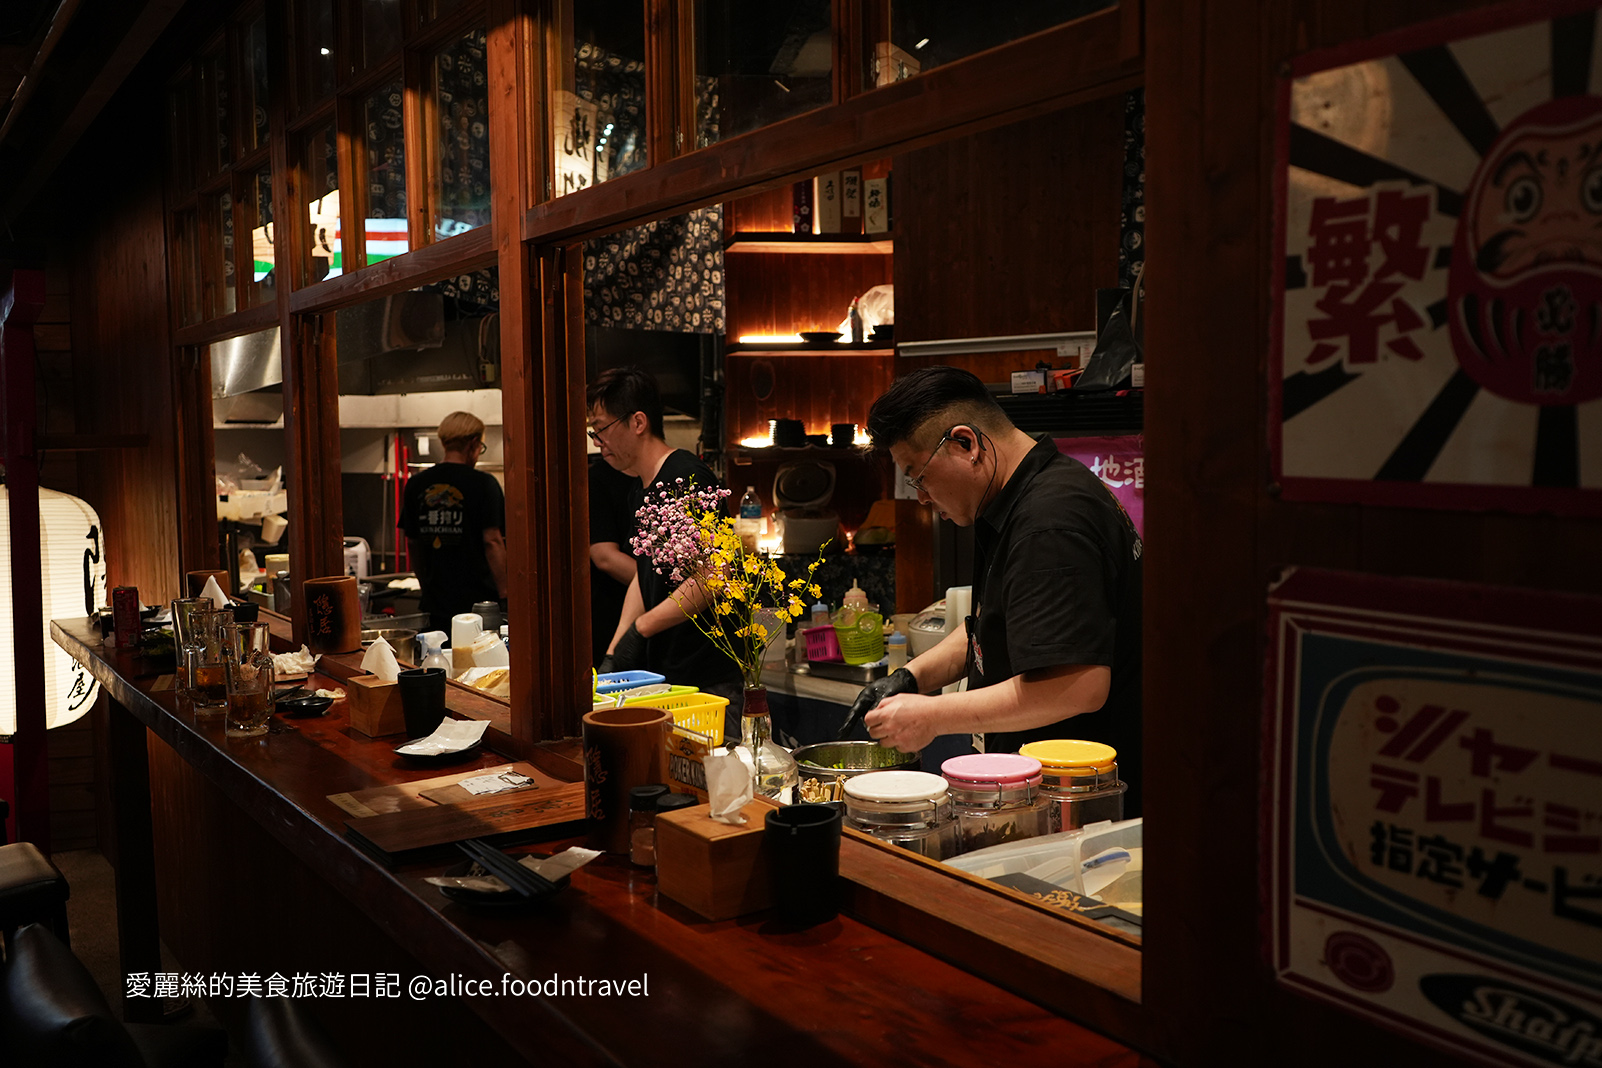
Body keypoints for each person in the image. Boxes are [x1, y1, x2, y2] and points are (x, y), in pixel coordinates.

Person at [844, 366, 1144, 815]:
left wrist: (932, 717)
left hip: (1085, 805)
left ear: (966, 444)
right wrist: (911, 678)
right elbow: (993, 626)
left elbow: (1077, 686)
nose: (922, 498)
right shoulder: (1018, 498)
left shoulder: (1050, 521)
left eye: (919, 476)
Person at [587, 367, 744, 725]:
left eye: (601, 427)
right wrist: (615, 652)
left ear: (638, 422)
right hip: (669, 675)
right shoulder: (638, 489)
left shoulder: (685, 476)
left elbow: (713, 575)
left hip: (709, 680)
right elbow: (645, 579)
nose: (597, 440)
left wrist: (642, 628)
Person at [398, 411, 508, 634]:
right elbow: (492, 542)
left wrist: (426, 587)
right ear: (474, 444)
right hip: (479, 607)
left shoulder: (417, 485)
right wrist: (506, 595)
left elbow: (412, 543)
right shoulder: (484, 484)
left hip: (435, 605)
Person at [588, 453, 639, 667]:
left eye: (601, 428)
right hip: (609, 607)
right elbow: (604, 557)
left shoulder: (671, 474)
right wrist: (672, 592)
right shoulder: (597, 478)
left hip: (657, 614)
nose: (598, 441)